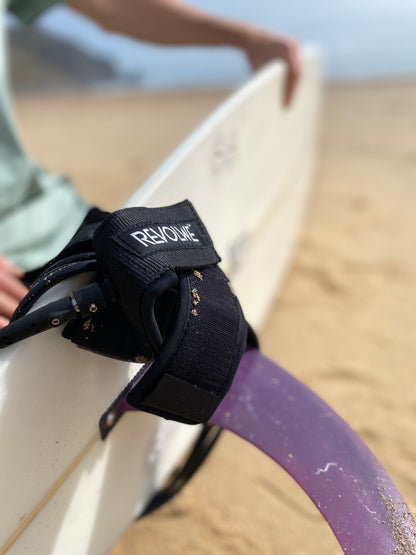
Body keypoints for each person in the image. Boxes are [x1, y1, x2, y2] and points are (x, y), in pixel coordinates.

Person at [0, 0, 301, 328]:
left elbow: (114, 6)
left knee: (203, 340)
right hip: (15, 266)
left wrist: (246, 38)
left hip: (54, 225)